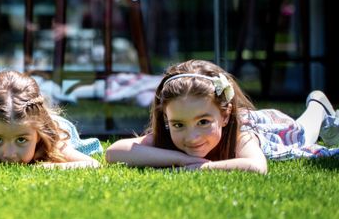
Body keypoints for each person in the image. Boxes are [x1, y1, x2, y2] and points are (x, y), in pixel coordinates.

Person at [105, 59, 339, 174]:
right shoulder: (170, 139)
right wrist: (186, 160)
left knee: (306, 131)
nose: (192, 136)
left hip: (276, 131)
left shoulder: (241, 136)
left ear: (225, 115)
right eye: (178, 124)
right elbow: (114, 152)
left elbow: (256, 166)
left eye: (203, 122)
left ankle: (317, 104)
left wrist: (200, 168)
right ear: (166, 120)